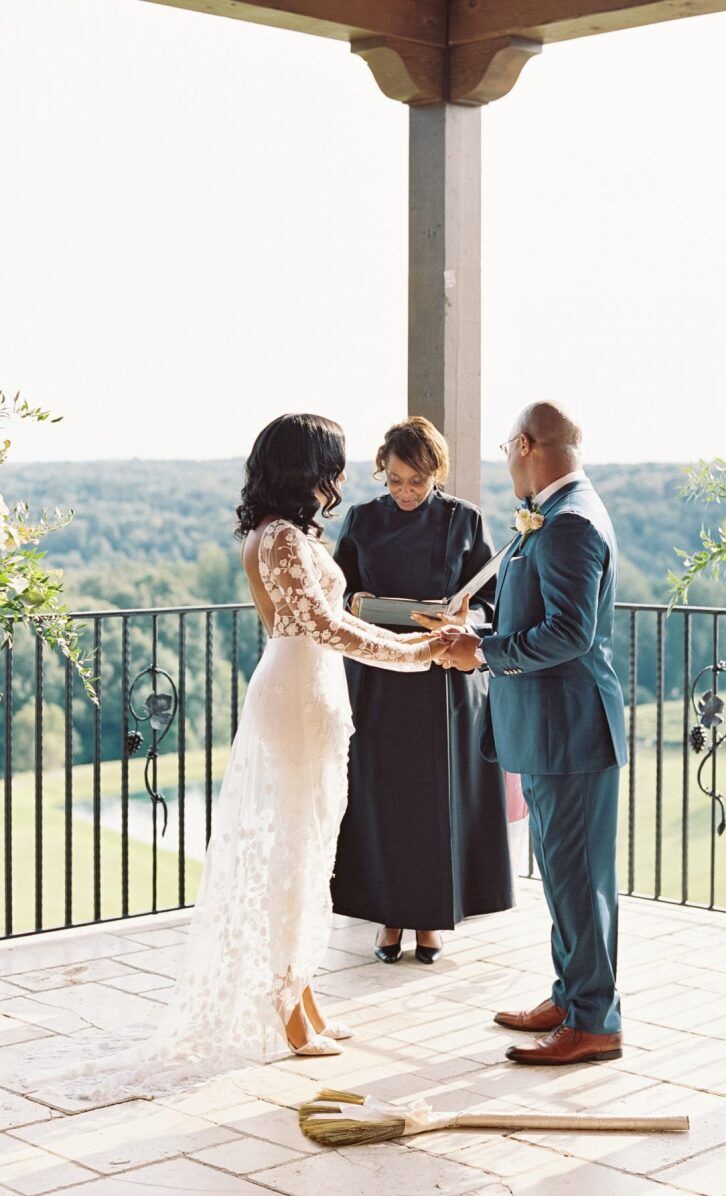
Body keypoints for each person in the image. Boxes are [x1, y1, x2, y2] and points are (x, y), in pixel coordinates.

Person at [12, 414, 444, 1106]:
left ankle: (303, 998)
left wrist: (406, 650)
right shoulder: (278, 538)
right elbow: (322, 625)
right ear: (307, 469)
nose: (341, 477)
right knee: (290, 855)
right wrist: (412, 655)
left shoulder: (293, 536)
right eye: (332, 464)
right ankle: (288, 1012)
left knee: (311, 851)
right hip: (297, 691)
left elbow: (327, 624)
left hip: (314, 689)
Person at [439, 402, 627, 1067]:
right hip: (556, 729)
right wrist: (479, 635)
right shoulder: (559, 509)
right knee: (564, 874)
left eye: (505, 446)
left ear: (524, 444)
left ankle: (594, 1023)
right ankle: (573, 998)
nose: (504, 458)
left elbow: (570, 635)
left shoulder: (570, 521)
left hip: (570, 730)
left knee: (578, 878)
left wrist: (484, 653)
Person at [331, 416, 513, 963]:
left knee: (438, 801)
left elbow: (489, 601)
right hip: (379, 679)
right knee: (384, 798)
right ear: (382, 472)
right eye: (395, 480)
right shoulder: (362, 519)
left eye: (417, 481)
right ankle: (389, 918)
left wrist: (460, 616)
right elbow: (339, 595)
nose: (406, 492)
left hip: (441, 680)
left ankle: (432, 920)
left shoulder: (465, 520)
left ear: (437, 473)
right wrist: (364, 610)